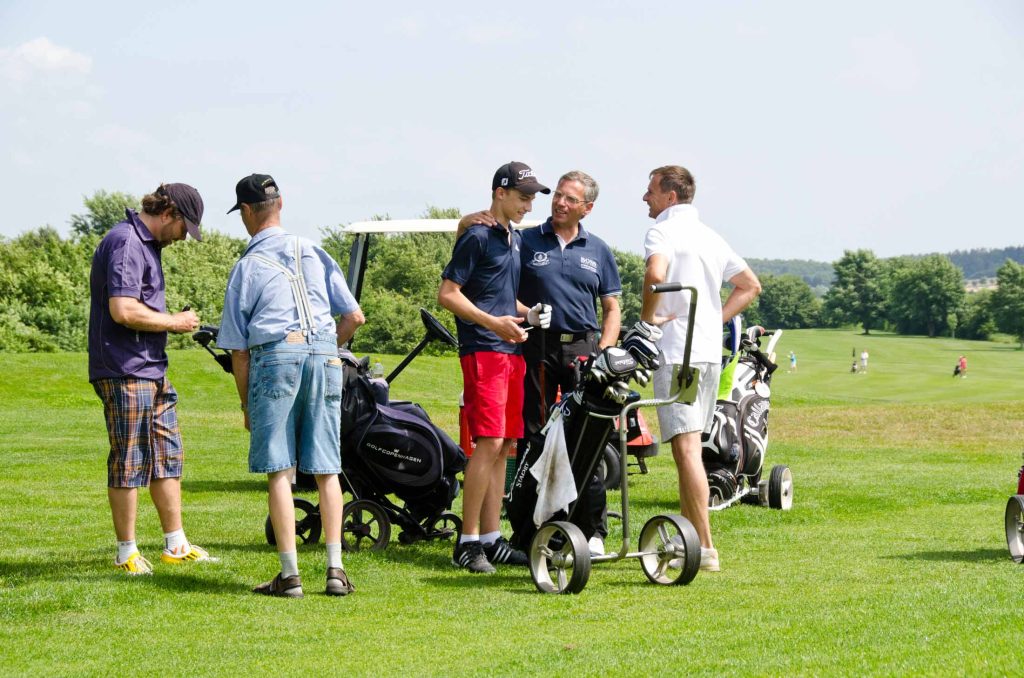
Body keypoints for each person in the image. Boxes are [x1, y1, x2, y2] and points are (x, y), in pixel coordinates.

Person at [457, 170, 622, 555]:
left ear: (587, 208)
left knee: (589, 438)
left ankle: (592, 530)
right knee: (531, 438)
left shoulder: (598, 249)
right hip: (535, 348)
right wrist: (467, 219)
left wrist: (604, 352)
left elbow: (611, 307)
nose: (560, 203)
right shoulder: (525, 238)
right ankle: (527, 529)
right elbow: (485, 247)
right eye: (558, 196)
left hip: (584, 350)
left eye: (570, 199)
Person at [218, 174, 365, 598]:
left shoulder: (246, 267)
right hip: (323, 353)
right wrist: (321, 348)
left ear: (246, 212)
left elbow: (238, 351)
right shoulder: (314, 251)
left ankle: (290, 576)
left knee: (281, 469)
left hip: (275, 356)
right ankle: (336, 571)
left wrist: (247, 404)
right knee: (326, 468)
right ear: (279, 203)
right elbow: (354, 317)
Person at [88, 182, 216, 575]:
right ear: (170, 213)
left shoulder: (147, 246)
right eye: (184, 228)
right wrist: (174, 322)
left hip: (151, 368)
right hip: (125, 370)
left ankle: (175, 544)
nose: (183, 238)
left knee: (167, 456)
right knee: (129, 460)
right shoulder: (126, 242)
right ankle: (126, 551)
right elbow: (123, 309)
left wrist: (167, 323)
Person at [639, 165, 761, 573]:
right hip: (707, 354)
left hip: (677, 354)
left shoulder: (662, 232)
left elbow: (655, 274)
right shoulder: (711, 236)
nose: (645, 198)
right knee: (687, 448)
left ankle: (704, 547)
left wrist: (647, 319)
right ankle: (696, 539)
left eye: (651, 191)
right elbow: (750, 285)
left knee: (687, 450)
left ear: (671, 196)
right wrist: (714, 320)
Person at [438, 161, 553, 574]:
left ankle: (491, 537)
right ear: (500, 193)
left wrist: (528, 313)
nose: (528, 204)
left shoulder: (513, 238)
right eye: (523, 196)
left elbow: (501, 298)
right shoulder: (478, 235)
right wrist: (494, 324)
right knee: (487, 443)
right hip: (484, 349)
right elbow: (448, 295)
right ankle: (467, 542)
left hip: (509, 351)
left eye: (532, 198)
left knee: (506, 444)